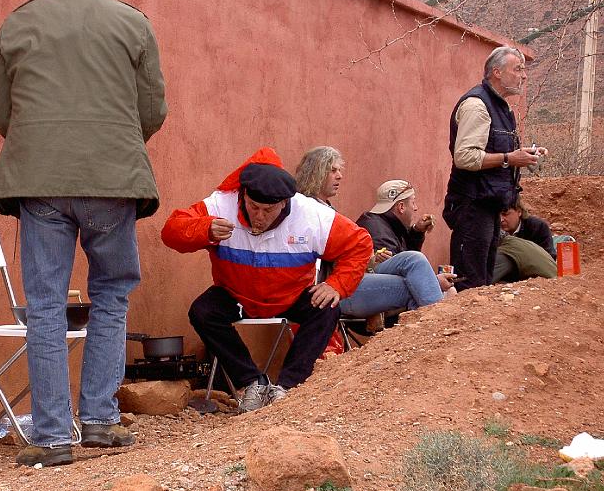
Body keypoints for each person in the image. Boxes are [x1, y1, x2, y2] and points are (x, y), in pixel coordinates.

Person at [0, 0, 167, 467]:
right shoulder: (133, 21)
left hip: (40, 182)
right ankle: (100, 423)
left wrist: (42, 147)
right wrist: (113, 147)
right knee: (111, 293)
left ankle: (50, 436)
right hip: (112, 179)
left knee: (44, 304)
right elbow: (152, 110)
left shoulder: (21, 21)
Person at [161, 148, 372, 412]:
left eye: (268, 210)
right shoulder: (220, 204)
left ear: (285, 202)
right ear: (243, 195)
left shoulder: (311, 215)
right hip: (236, 294)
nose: (259, 216)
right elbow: (171, 230)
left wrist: (337, 285)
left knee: (327, 307)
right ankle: (252, 383)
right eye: (253, 207)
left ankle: (288, 387)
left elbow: (360, 243)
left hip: (291, 295)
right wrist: (204, 229)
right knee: (202, 311)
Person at [295, 150, 448, 322]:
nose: (339, 176)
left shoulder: (325, 208)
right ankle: (439, 329)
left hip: (352, 276)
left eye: (339, 170)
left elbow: (344, 255)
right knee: (416, 286)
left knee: (414, 259)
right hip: (334, 288)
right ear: (316, 173)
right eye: (332, 170)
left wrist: (372, 258)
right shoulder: (307, 210)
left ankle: (432, 333)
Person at [443, 46, 547, 291]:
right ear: (497, 72)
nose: (524, 76)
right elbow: (464, 157)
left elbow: (498, 152)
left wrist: (526, 156)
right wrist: (510, 158)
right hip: (471, 205)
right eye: (518, 69)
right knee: (470, 284)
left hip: (488, 205)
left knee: (483, 281)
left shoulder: (502, 107)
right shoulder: (477, 105)